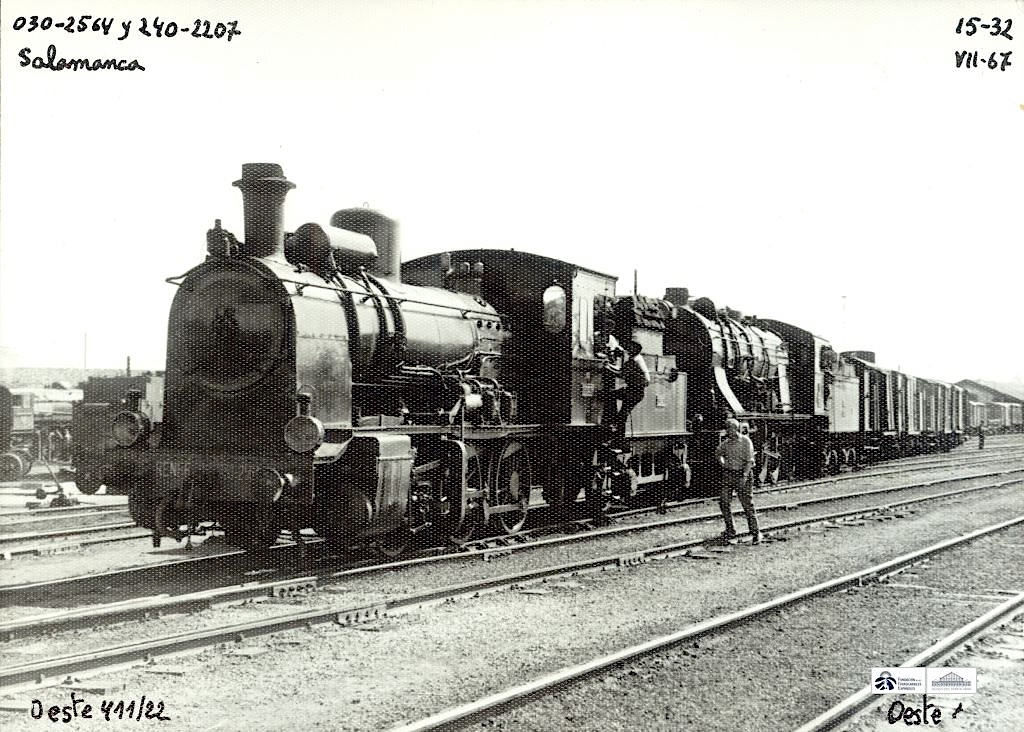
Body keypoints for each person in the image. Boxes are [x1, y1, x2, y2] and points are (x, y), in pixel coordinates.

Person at [714, 418, 760, 544]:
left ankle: (755, 532)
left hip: (743, 474)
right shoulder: (726, 443)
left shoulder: (746, 441)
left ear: (736, 429)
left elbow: (750, 461)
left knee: (747, 504)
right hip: (729, 474)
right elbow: (718, 453)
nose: (728, 431)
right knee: (724, 502)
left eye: (730, 428)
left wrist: (744, 477)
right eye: (727, 428)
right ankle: (730, 529)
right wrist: (723, 463)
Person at [603, 339, 650, 436]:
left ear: (635, 349)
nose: (628, 348)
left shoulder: (633, 361)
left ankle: (611, 421)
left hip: (632, 392)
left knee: (608, 395)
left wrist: (607, 367)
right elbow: (621, 370)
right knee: (622, 415)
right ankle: (619, 436)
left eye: (630, 347)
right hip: (636, 392)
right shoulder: (637, 359)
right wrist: (610, 366)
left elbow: (621, 374)